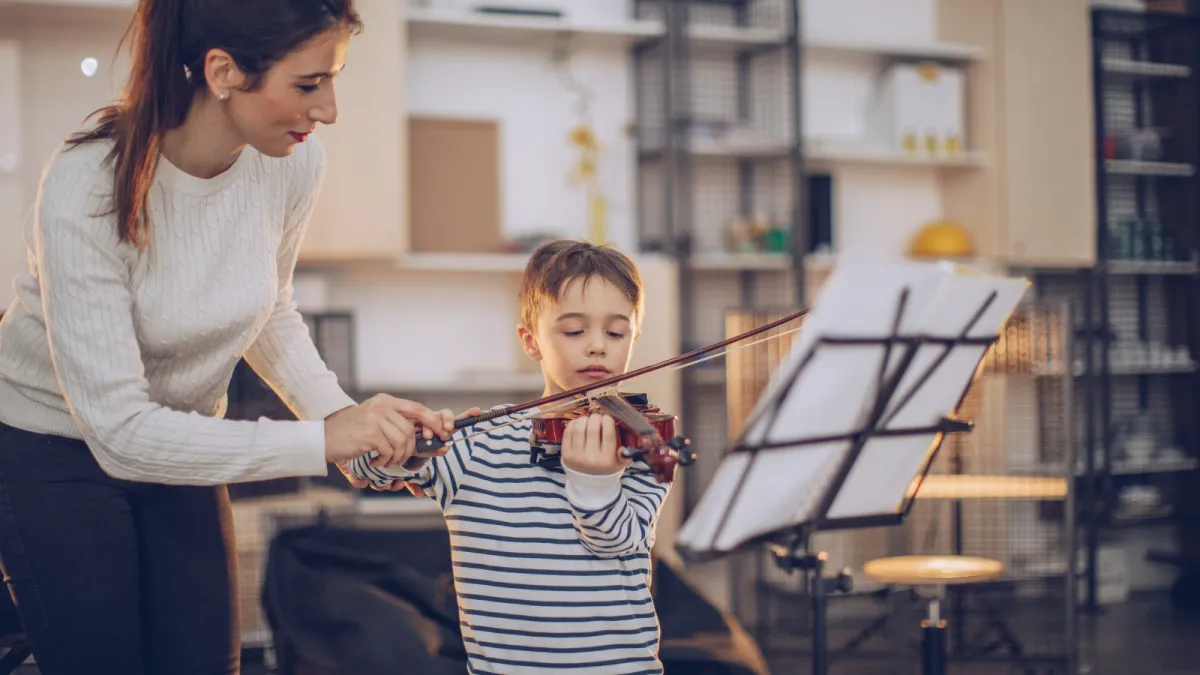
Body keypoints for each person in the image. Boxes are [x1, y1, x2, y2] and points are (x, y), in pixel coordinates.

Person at [0, 1, 455, 673]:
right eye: (309, 84)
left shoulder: (291, 162)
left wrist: (343, 418)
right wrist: (321, 440)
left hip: (183, 441)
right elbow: (122, 433)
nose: (328, 109)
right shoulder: (86, 184)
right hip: (52, 450)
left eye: (333, 80)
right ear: (223, 71)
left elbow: (268, 308)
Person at [347, 238, 672, 674]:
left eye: (616, 332)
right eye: (574, 331)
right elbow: (361, 466)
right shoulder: (477, 446)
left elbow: (616, 541)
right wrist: (416, 446)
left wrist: (595, 482)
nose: (598, 346)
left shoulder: (639, 443)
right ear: (531, 341)